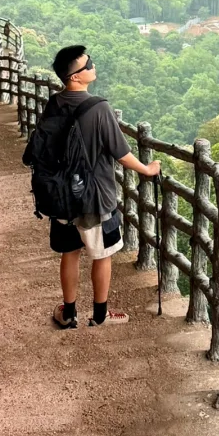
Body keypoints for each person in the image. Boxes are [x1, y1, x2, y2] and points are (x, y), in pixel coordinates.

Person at [45, 44, 159, 329]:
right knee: (102, 255)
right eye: (88, 65)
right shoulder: (99, 108)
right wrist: (147, 169)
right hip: (94, 198)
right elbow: (121, 153)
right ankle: (99, 316)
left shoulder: (54, 103)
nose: (93, 67)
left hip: (62, 195)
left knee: (70, 253)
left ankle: (68, 314)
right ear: (74, 77)